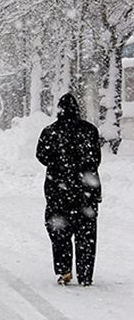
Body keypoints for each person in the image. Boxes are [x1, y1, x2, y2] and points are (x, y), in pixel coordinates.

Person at [36, 93, 102, 287]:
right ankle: (85, 274)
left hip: (58, 190)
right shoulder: (89, 130)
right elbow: (96, 158)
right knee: (86, 234)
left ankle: (64, 270)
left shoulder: (50, 132)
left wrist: (59, 166)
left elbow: (41, 155)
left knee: (59, 232)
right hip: (86, 191)